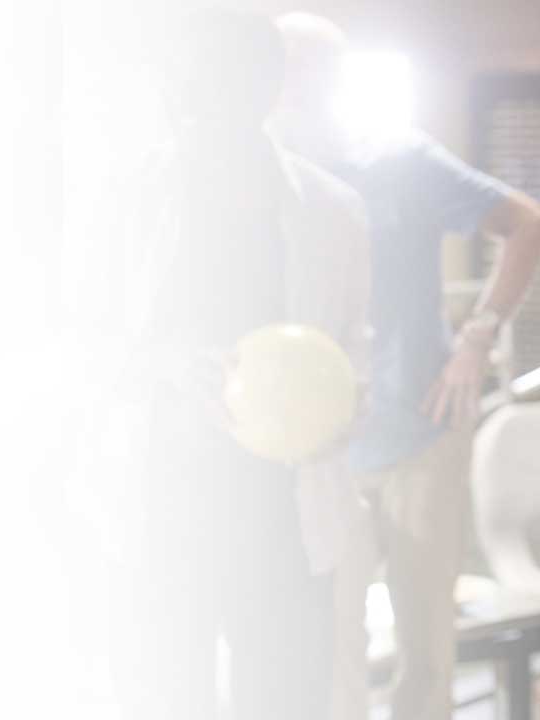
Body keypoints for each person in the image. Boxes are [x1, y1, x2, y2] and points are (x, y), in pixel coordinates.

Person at [271, 13, 540, 720]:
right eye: (283, 70)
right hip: (321, 448)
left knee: (425, 644)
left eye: (305, 71)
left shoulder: (398, 158)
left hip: (420, 427)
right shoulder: (272, 178)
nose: (292, 86)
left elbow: (529, 223)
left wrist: (478, 338)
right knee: (329, 641)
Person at [98, 10, 370, 720]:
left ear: (265, 88)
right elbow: (85, 345)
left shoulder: (333, 210)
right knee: (163, 700)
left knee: (287, 703)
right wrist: (162, 364)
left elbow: (351, 345)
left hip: (288, 511)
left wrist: (345, 407)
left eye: (217, 82)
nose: (193, 100)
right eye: (186, 83)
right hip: (163, 509)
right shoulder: (128, 199)